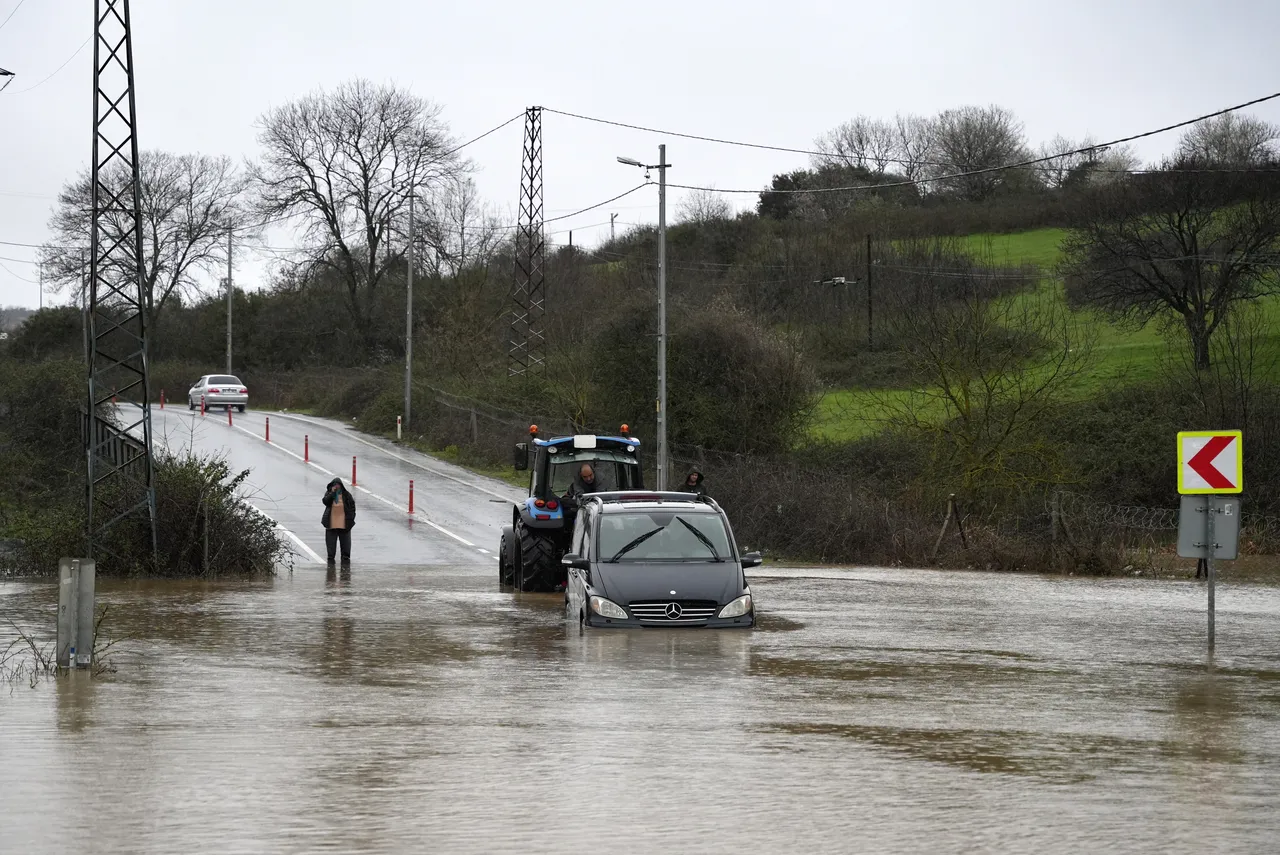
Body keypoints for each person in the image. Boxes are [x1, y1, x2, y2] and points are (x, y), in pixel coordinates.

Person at [322, 477, 356, 564]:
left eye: (338, 485)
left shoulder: (346, 495)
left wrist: (351, 518)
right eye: (335, 485)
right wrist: (332, 493)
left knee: (345, 548)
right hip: (331, 523)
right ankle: (331, 561)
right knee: (331, 547)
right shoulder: (329, 494)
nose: (337, 487)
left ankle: (345, 564)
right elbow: (325, 501)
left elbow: (352, 507)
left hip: (344, 524)